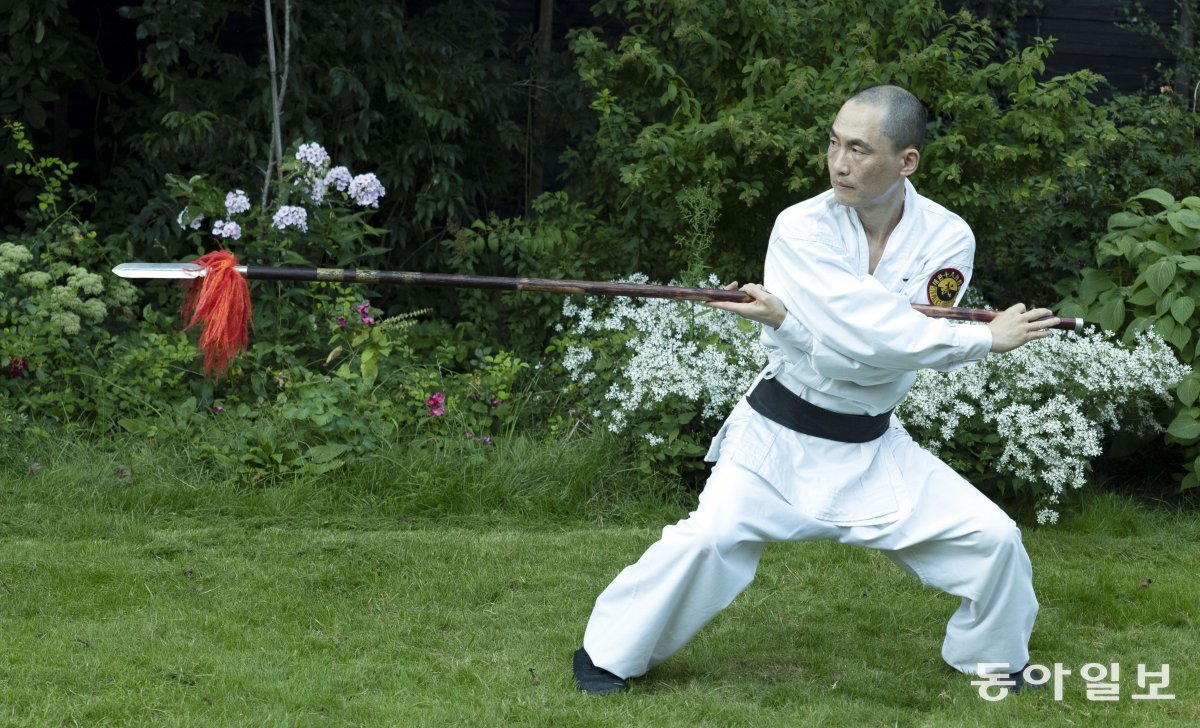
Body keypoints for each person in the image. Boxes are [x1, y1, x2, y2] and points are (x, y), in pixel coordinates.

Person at [572, 85, 1059, 695]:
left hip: (874, 445)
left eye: (859, 149)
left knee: (993, 539)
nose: (839, 163)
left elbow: (889, 346)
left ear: (906, 162)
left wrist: (795, 325)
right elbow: (878, 338)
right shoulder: (800, 227)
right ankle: (608, 654)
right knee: (708, 540)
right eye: (833, 143)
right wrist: (982, 341)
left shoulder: (948, 236)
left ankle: (991, 658)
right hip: (779, 434)